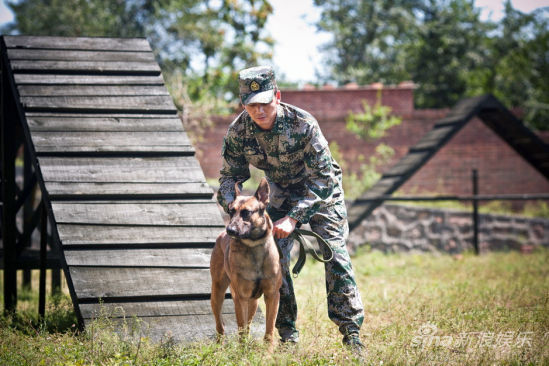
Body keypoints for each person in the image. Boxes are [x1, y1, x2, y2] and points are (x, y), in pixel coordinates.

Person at [217, 65, 364, 351]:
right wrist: (231, 200)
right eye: (251, 105)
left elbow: (324, 179)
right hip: (279, 191)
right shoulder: (238, 131)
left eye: (265, 103)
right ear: (243, 105)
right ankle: (286, 335)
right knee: (274, 259)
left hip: (320, 192)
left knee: (335, 256)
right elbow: (228, 177)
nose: (259, 111)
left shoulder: (303, 124)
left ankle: (351, 333)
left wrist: (294, 219)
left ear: (278, 97)